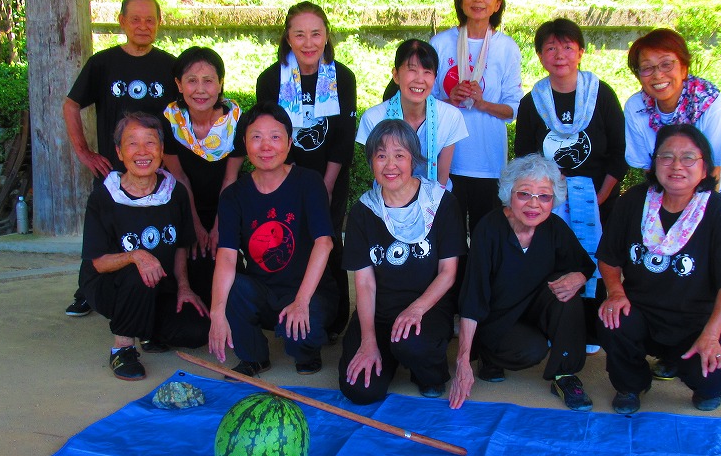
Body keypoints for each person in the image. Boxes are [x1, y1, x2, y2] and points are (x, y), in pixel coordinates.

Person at [597, 124, 721, 415]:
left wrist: (712, 334)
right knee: (613, 318)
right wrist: (616, 292)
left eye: (688, 158)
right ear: (654, 163)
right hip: (641, 311)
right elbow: (609, 257)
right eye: (666, 157)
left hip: (696, 320)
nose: (676, 166)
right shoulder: (633, 201)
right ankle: (630, 384)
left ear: (704, 168)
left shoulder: (718, 210)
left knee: (710, 383)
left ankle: (685, 365)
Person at [514, 18, 627, 351]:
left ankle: (593, 328)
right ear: (539, 56)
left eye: (567, 47)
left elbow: (618, 153)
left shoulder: (601, 95)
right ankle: (557, 325)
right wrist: (544, 200)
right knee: (553, 262)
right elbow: (525, 157)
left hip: (599, 200)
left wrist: (599, 198)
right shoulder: (532, 102)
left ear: (580, 51)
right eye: (550, 48)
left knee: (598, 261)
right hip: (548, 204)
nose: (559, 55)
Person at [63, 0, 177, 319]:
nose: (143, 26)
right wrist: (84, 152)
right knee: (103, 234)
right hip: (113, 169)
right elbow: (71, 104)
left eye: (150, 20)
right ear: (122, 22)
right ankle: (88, 290)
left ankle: (158, 286)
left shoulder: (170, 66)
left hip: (158, 170)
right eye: (136, 19)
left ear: (159, 23)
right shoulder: (103, 63)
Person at [452, 155, 595, 412]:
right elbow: (473, 297)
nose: (534, 204)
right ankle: (489, 355)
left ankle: (565, 375)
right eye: (524, 194)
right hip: (497, 319)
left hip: (533, 311)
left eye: (544, 196)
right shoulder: (489, 229)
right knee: (531, 350)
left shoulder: (554, 228)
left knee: (566, 291)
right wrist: (463, 360)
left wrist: (579, 277)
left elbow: (584, 265)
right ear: (509, 194)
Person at [248, 2, 357, 335]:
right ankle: (291, 309)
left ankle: (334, 317)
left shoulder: (342, 77)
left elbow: (343, 137)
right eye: (299, 35)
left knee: (328, 239)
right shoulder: (271, 80)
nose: (308, 43)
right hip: (286, 176)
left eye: (316, 34)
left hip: (330, 175)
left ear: (326, 36)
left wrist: (326, 185)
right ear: (287, 38)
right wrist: (293, 183)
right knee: (291, 237)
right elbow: (270, 133)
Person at [339, 120, 464, 404]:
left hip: (427, 308)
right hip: (380, 313)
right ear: (371, 162)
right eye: (381, 156)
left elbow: (448, 272)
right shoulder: (363, 211)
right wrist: (368, 340)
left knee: (411, 345)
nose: (390, 165)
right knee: (359, 390)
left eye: (399, 155)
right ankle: (389, 352)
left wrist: (416, 309)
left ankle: (427, 369)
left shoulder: (441, 203)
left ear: (413, 160)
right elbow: (365, 283)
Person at [78, 112, 208, 381]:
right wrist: (135, 256)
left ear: (161, 149)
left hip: (160, 285)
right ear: (119, 152)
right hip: (111, 287)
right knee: (137, 272)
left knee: (195, 331)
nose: (142, 151)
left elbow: (180, 246)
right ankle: (123, 348)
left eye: (150, 142)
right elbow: (98, 262)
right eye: (132, 143)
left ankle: (146, 330)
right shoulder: (104, 197)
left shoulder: (174, 193)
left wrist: (184, 287)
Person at [210, 103, 336, 377]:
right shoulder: (233, 196)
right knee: (231, 288)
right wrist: (216, 312)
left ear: (289, 143)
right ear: (245, 143)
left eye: (275, 137)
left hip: (308, 291)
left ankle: (306, 351)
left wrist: (301, 301)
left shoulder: (309, 182)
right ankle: (253, 356)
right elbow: (227, 255)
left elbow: (324, 243)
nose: (266, 146)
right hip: (264, 291)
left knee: (303, 335)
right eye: (256, 137)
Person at [623, 28, 721, 219]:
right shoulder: (636, 107)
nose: (658, 75)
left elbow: (714, 171)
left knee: (709, 234)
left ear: (684, 68)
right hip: (676, 190)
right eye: (647, 68)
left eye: (666, 65)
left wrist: (702, 222)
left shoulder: (710, 103)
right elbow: (651, 170)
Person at [430, 0, 524, 237]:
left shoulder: (506, 48)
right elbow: (424, 101)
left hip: (488, 161)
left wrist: (482, 103)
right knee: (449, 238)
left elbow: (513, 109)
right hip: (448, 160)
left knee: (487, 237)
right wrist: (449, 100)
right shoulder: (440, 43)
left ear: (498, 3)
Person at [160, 47, 242, 299]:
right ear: (179, 84)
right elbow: (179, 177)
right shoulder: (169, 121)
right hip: (184, 209)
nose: (200, 89)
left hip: (226, 207)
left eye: (208, 80)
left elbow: (230, 178)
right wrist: (193, 225)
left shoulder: (236, 121)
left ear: (220, 83)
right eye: (192, 81)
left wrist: (219, 226)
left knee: (228, 281)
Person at [356, 39, 468, 188]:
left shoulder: (450, 116)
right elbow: (380, 172)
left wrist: (432, 202)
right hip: (388, 197)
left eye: (427, 72)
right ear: (396, 75)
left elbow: (442, 177)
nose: (420, 80)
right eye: (412, 70)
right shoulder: (373, 118)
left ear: (435, 78)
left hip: (436, 197)